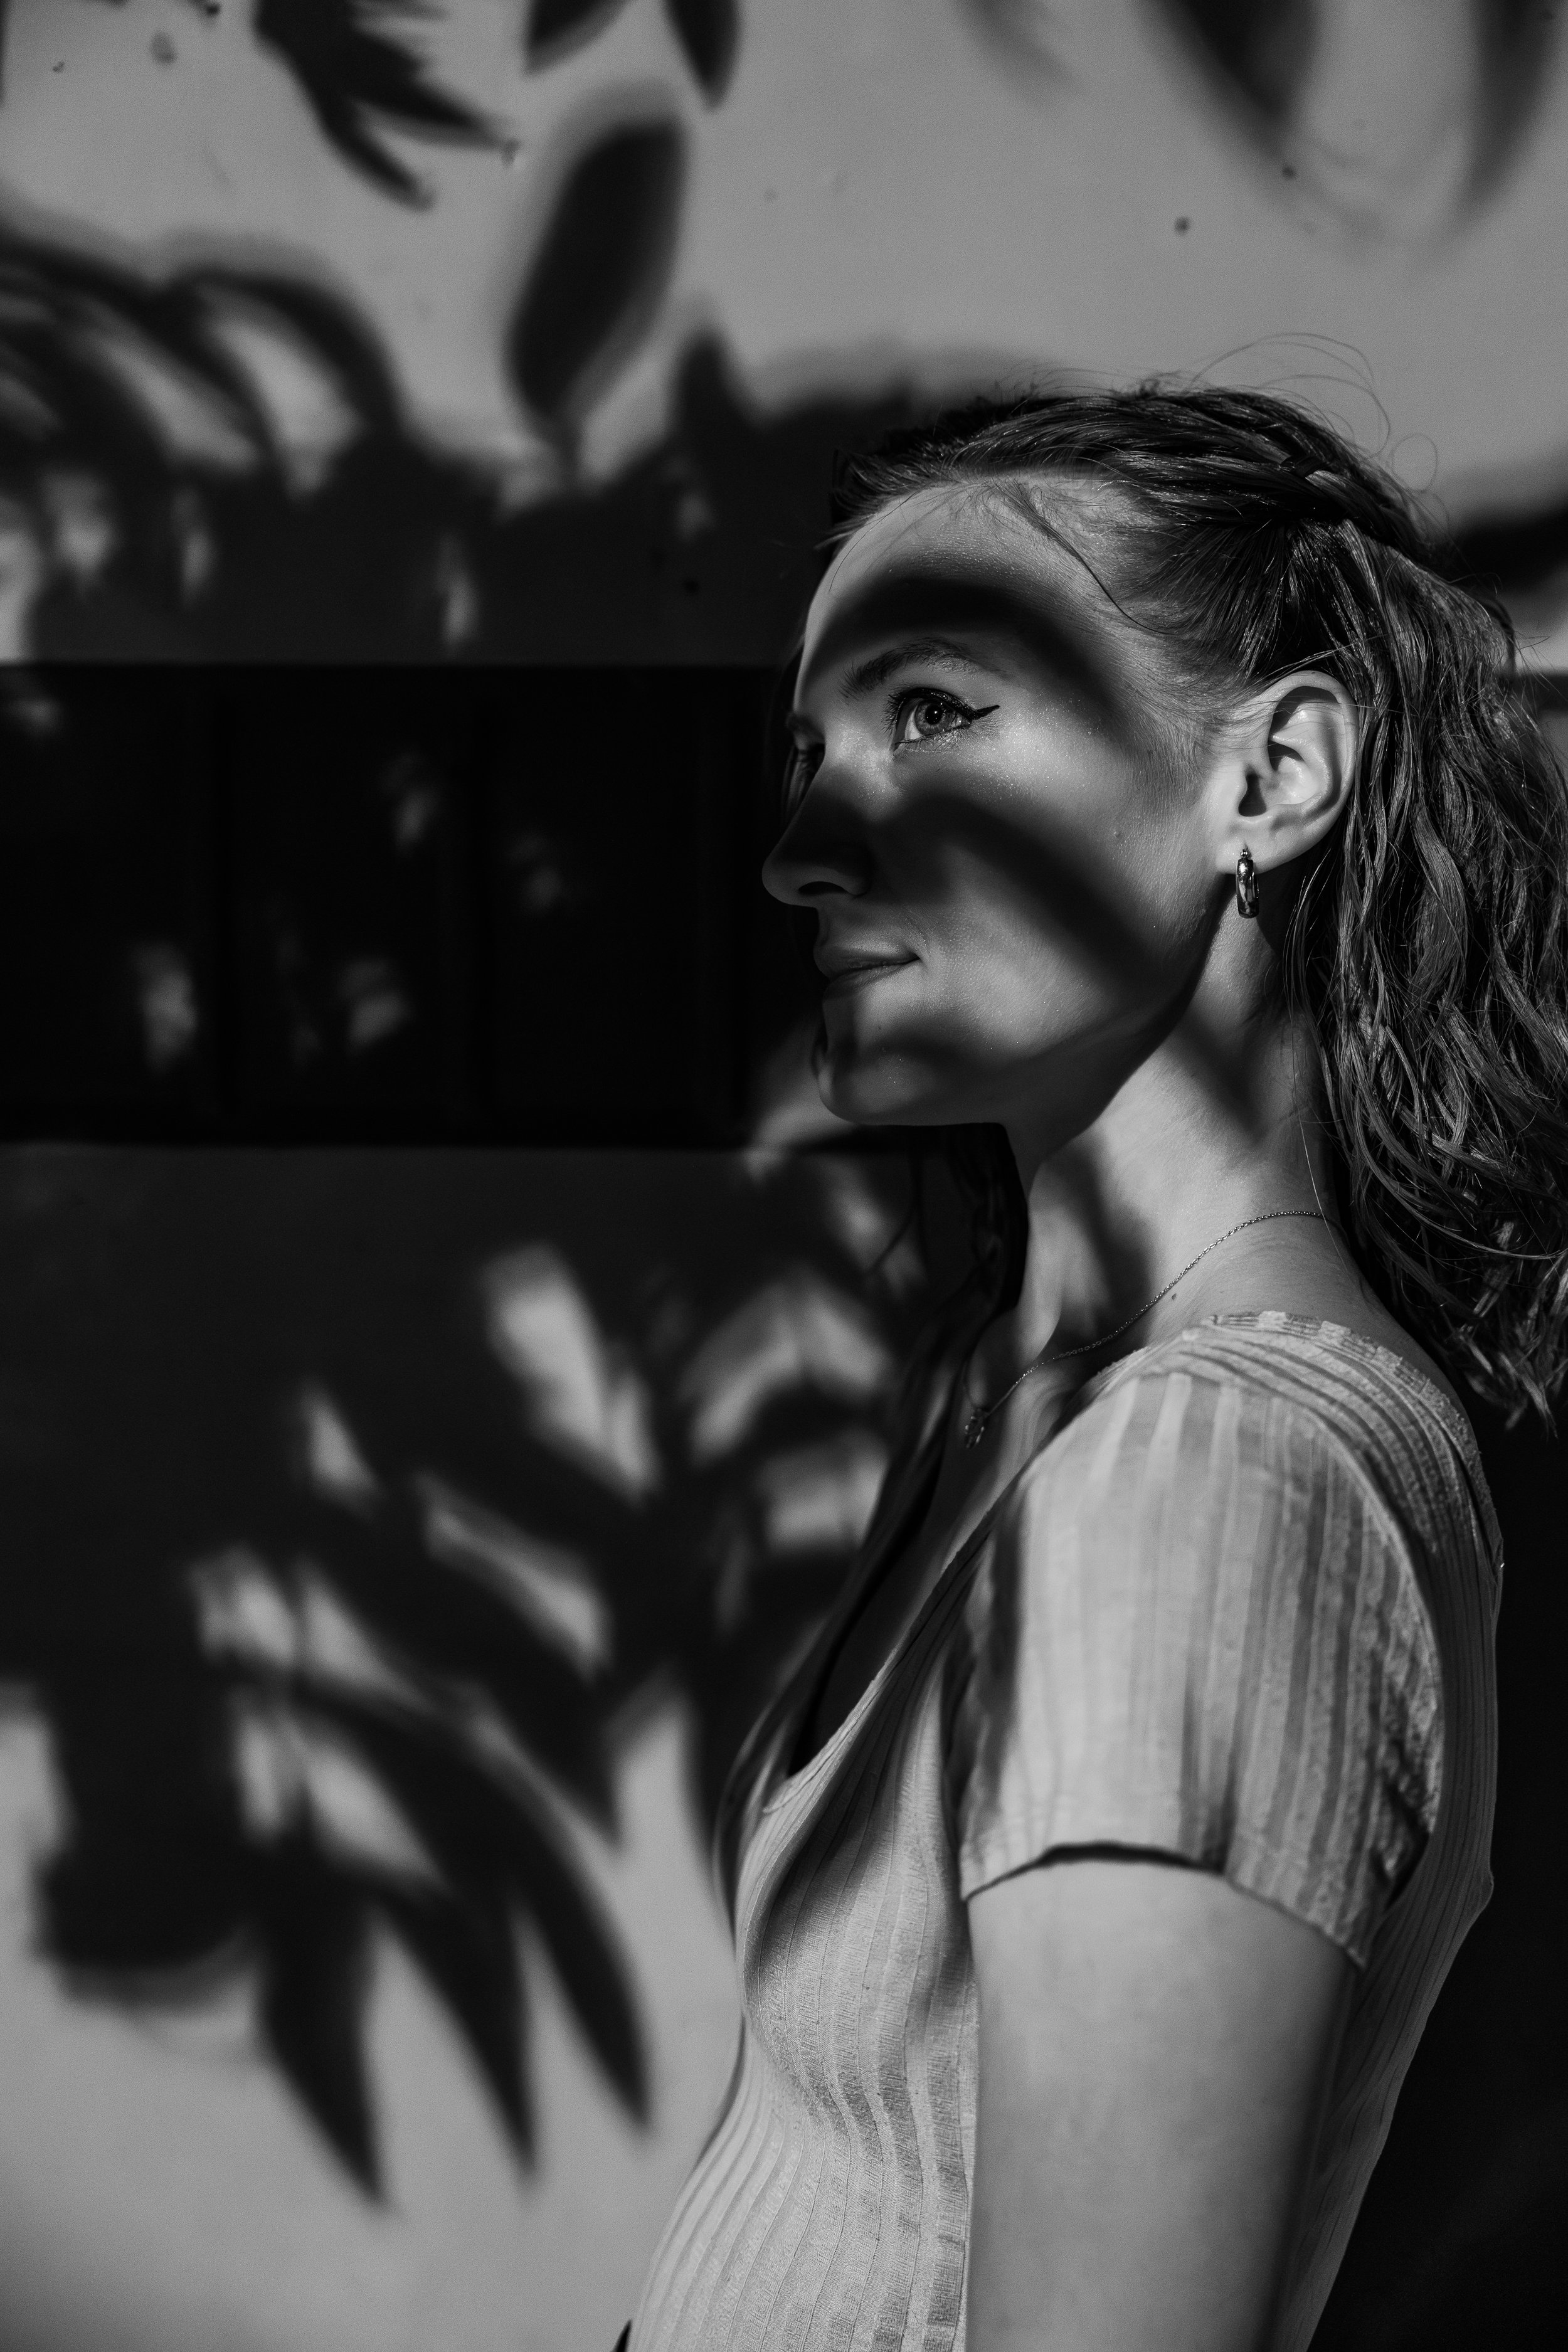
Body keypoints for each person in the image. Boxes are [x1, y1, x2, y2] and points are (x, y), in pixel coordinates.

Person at [623, 385, 1568, 2352]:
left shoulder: (1210, 1482)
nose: (803, 844)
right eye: (810, 752)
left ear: (1273, 776)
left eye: (936, 715)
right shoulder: (1024, 1392)